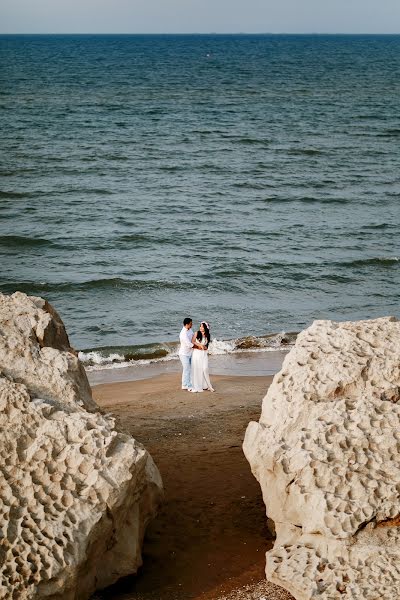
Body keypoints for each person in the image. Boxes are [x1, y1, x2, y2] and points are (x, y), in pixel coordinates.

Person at [190, 321, 214, 392]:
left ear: (206, 328)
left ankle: (208, 386)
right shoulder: (197, 333)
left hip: (204, 354)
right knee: (198, 369)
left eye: (202, 326)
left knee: (205, 368)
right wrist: (199, 345)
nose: (200, 328)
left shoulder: (208, 335)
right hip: (197, 354)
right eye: (200, 326)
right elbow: (193, 341)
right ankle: (199, 385)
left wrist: (204, 347)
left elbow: (207, 346)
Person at [179, 317, 194, 390]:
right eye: (191, 324)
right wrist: (199, 347)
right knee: (186, 369)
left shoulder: (190, 330)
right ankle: (186, 385)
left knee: (189, 369)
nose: (192, 325)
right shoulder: (183, 333)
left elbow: (193, 338)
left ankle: (186, 383)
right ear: (187, 324)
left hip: (190, 353)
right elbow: (189, 344)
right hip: (184, 354)